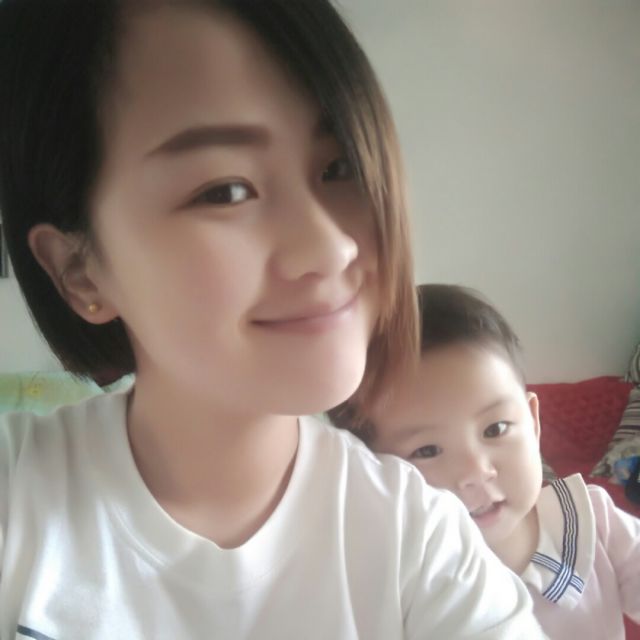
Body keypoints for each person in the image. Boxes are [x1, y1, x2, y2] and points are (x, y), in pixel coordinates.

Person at [0, 2, 545, 638]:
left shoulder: (420, 541)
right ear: (80, 271)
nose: (331, 248)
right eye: (225, 191)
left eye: (339, 168)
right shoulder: (19, 496)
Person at [331, 283, 640, 639]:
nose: (476, 472)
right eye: (427, 450)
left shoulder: (590, 520)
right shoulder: (396, 586)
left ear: (533, 421)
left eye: (495, 429)